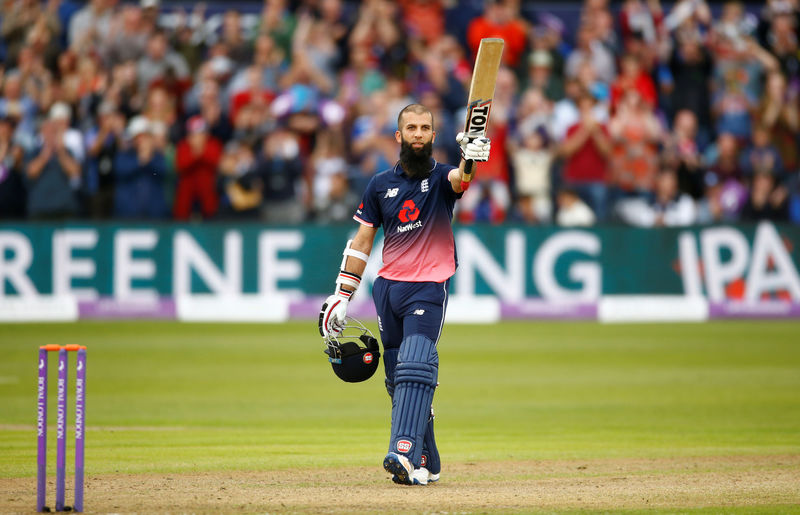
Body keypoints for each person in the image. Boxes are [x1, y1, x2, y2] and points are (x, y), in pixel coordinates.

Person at [318, 104, 490, 485]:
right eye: (410, 128)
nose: (417, 134)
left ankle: (404, 452)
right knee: (399, 379)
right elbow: (363, 240)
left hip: (428, 286)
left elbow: (463, 179)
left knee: (416, 363)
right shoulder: (379, 184)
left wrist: (471, 157)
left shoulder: (444, 176)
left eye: (424, 128)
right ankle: (428, 459)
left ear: (432, 136)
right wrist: (342, 294)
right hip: (388, 288)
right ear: (398, 136)